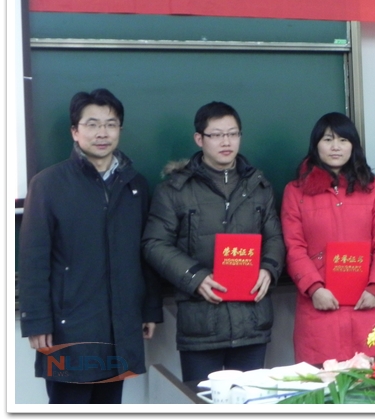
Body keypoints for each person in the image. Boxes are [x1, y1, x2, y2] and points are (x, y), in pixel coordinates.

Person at [18, 88, 162, 404]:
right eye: (92, 124)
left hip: (120, 324)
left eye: (110, 124)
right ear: (75, 131)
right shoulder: (48, 184)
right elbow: (32, 260)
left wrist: (149, 308)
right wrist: (36, 321)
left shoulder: (135, 185)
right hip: (69, 325)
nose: (102, 133)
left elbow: (146, 252)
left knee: (109, 406)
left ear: (119, 129)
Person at [142, 101, 285, 382]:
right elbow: (154, 243)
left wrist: (269, 268)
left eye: (233, 134)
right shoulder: (175, 189)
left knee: (249, 400)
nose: (226, 142)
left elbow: (275, 237)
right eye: (217, 135)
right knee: (201, 401)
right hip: (201, 323)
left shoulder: (258, 186)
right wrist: (194, 277)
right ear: (199, 139)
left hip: (251, 321)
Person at [280, 112, 375, 364]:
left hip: (367, 305)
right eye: (328, 139)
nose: (336, 147)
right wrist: (314, 289)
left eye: (343, 140)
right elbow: (294, 248)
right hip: (319, 308)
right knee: (322, 385)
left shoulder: (373, 188)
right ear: (316, 145)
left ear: (353, 146)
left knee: (371, 383)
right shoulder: (295, 191)